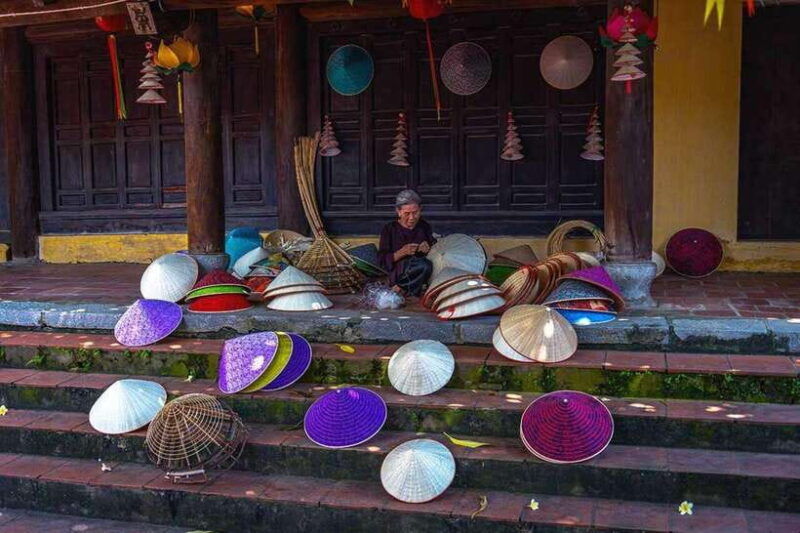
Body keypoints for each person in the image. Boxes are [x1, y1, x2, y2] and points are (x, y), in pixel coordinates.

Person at [378, 189, 436, 297]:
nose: (412, 218)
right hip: (400, 271)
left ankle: (400, 288)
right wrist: (401, 252)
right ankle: (403, 287)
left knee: (426, 265)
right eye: (407, 213)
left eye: (415, 213)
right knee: (424, 265)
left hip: (421, 270)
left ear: (420, 210)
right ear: (398, 211)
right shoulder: (389, 229)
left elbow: (434, 247)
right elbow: (381, 260)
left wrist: (428, 247)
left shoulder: (424, 226)